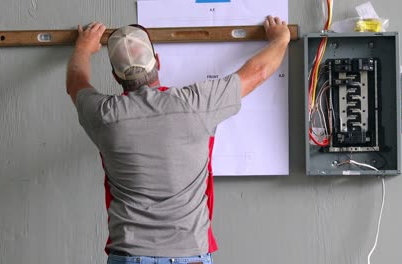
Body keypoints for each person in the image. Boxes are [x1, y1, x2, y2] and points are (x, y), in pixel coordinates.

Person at [66, 16, 290, 264]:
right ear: (158, 62)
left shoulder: (103, 115)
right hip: (189, 255)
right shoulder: (196, 104)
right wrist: (281, 38)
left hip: (129, 255)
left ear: (116, 77)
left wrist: (84, 47)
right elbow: (257, 72)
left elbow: (76, 83)